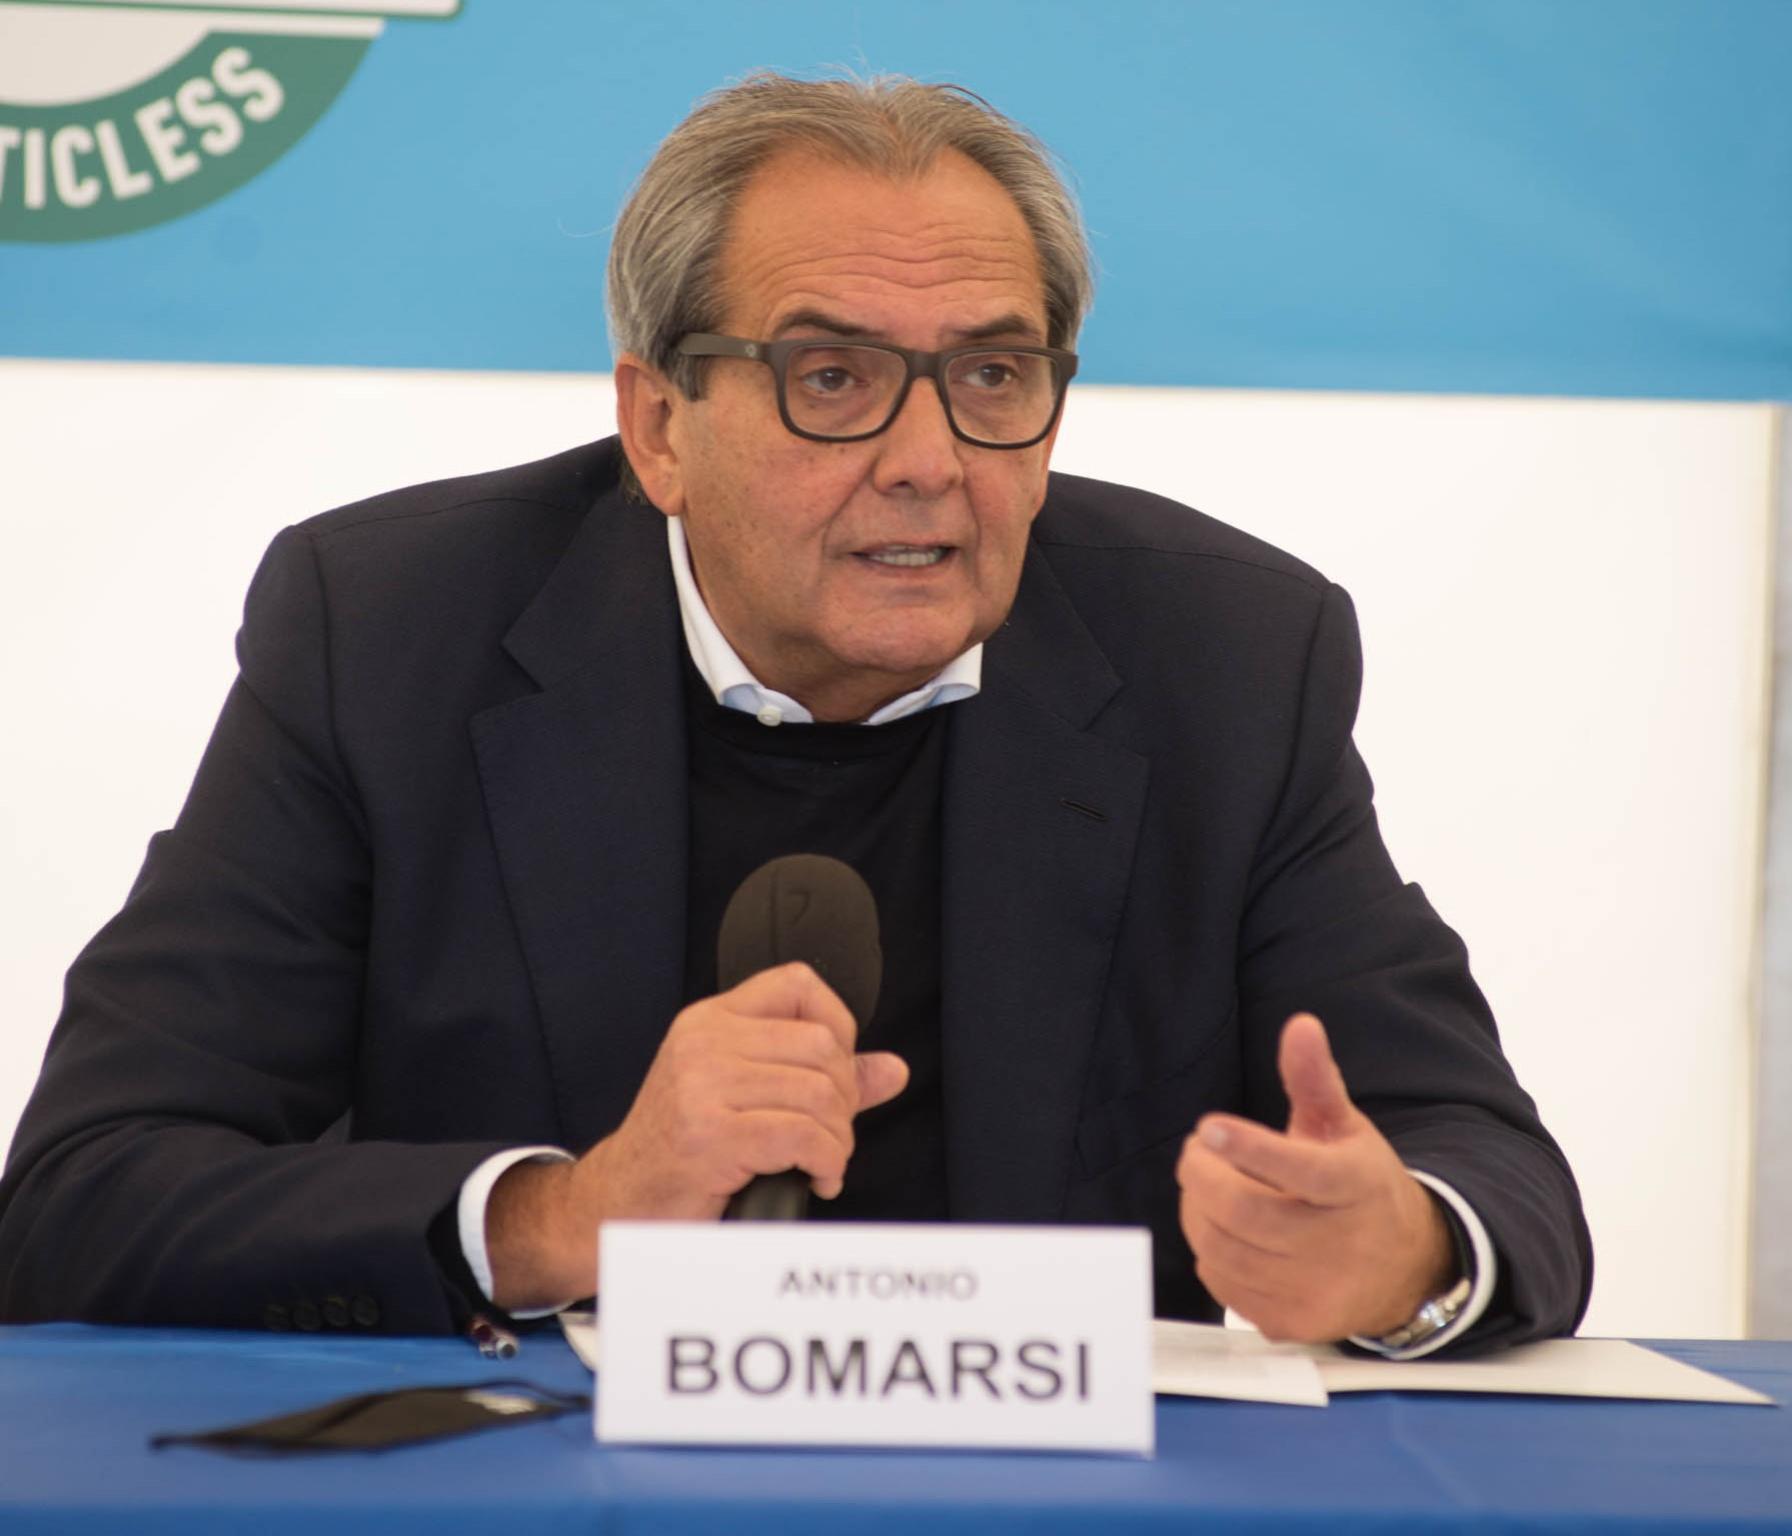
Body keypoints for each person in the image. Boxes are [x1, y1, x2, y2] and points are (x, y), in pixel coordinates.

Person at [0, 73, 1590, 1355]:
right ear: (658, 425)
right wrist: (566, 1216)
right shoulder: (391, 633)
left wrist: (1402, 1256)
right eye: (833, 379)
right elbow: (84, 1193)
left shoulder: (1226, 660)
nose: (928, 461)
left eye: (993, 377)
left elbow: (1490, 1170)